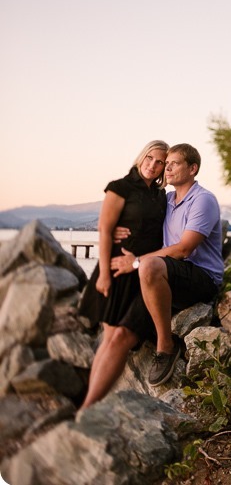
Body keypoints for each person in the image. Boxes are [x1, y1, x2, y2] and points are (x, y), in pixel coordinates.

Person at [110, 142, 224, 387]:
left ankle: (166, 346)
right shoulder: (168, 199)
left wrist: (138, 262)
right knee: (120, 320)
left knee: (147, 267)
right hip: (172, 274)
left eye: (174, 164)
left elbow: (184, 249)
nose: (167, 169)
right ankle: (144, 332)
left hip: (202, 277)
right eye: (166, 164)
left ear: (192, 168)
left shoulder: (202, 200)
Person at [78, 139, 168, 408]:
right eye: (150, 158)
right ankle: (89, 404)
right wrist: (104, 273)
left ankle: (90, 403)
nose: (153, 165)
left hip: (141, 269)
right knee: (110, 337)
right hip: (116, 270)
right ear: (141, 157)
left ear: (165, 167)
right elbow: (105, 230)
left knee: (115, 339)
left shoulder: (161, 195)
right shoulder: (120, 187)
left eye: (160, 161)